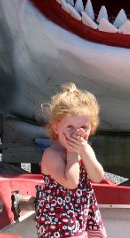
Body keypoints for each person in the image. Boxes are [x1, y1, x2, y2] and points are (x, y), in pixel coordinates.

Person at [36, 82, 107, 238]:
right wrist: (73, 152)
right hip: (58, 218)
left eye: (84, 127)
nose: (76, 133)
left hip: (82, 211)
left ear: (92, 128)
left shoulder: (85, 149)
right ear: (56, 128)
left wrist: (85, 152)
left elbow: (97, 177)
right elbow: (71, 182)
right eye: (69, 127)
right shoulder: (51, 155)